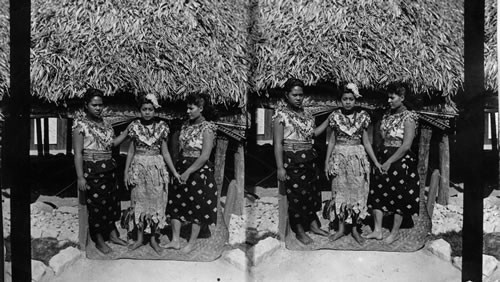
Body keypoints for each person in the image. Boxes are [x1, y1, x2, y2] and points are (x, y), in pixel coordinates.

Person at [273, 78, 330, 245]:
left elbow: (313, 134)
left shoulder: (306, 115)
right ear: (287, 95)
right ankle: (298, 229)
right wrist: (279, 168)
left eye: (301, 95)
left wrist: (327, 121)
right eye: (294, 95)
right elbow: (277, 143)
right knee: (297, 196)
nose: (298, 98)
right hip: (292, 159)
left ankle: (313, 225)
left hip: (309, 158)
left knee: (312, 193)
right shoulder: (280, 116)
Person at [73, 88, 130, 254]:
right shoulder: (80, 125)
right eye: (94, 105)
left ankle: (112, 234)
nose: (98, 108)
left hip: (109, 168)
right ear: (86, 105)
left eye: (100, 105)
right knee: (97, 205)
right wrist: (80, 177)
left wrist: (126, 132)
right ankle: (98, 239)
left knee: (111, 202)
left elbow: (112, 144)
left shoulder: (106, 124)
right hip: (92, 169)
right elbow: (77, 153)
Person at [124, 93, 181, 254]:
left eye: (150, 109)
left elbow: (166, 152)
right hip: (139, 168)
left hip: (157, 168)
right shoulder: (134, 126)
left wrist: (173, 172)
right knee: (139, 203)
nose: (147, 112)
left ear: (154, 110)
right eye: (144, 109)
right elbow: (130, 152)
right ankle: (140, 238)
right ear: (140, 111)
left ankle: (154, 239)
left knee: (157, 204)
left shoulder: (162, 127)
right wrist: (126, 172)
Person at [364, 83, 420, 244]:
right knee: (378, 193)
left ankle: (394, 233)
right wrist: (380, 160)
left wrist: (389, 161)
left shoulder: (409, 117)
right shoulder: (387, 115)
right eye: (388, 97)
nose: (389, 100)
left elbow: (406, 145)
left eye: (392, 97)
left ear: (402, 98)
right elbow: (381, 138)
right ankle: (377, 230)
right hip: (384, 158)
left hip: (400, 161)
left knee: (399, 196)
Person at [324, 83, 380, 244]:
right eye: (345, 99)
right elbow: (332, 140)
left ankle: (355, 229)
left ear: (355, 100)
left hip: (357, 158)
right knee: (339, 192)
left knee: (357, 193)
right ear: (340, 100)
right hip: (339, 158)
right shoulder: (335, 116)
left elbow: (367, 142)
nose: (348, 102)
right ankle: (341, 229)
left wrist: (374, 161)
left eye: (351, 99)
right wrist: (327, 162)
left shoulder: (363, 116)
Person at [165, 93, 218, 253]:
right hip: (182, 167)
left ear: (200, 108)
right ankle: (175, 240)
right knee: (175, 203)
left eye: (191, 108)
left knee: (197, 206)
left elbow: (205, 156)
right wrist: (178, 170)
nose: (188, 111)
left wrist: (188, 171)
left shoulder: (208, 128)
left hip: (198, 171)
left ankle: (191, 242)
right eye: (187, 108)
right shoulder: (185, 126)